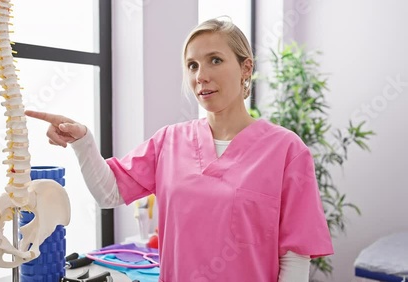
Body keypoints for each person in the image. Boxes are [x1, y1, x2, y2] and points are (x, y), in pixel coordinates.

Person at [25, 18, 333, 282]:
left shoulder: (285, 150)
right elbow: (109, 193)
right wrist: (82, 140)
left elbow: (294, 255)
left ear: (245, 67)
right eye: (192, 65)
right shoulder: (169, 141)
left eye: (215, 60)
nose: (201, 76)